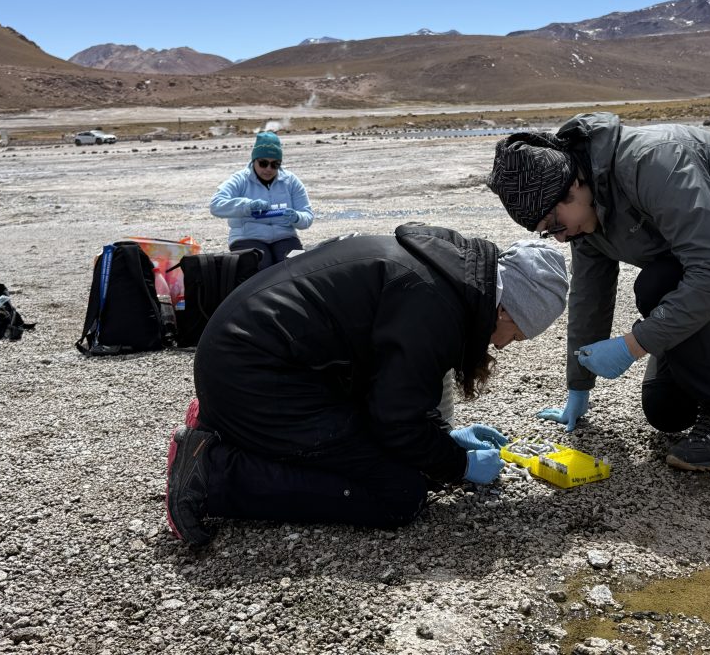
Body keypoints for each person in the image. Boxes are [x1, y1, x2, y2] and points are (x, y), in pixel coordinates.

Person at [166, 224, 568, 546]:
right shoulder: (435, 307)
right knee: (398, 494)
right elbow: (395, 421)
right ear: (505, 307)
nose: (502, 345)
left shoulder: (446, 270)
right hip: (253, 376)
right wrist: (457, 464)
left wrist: (444, 437)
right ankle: (214, 472)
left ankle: (233, 429)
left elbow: (391, 388)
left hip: (248, 359)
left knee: (390, 455)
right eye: (514, 334)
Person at [487, 112, 710, 471]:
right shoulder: (586, 214)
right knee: (667, 407)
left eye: (555, 224)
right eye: (548, 232)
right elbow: (589, 294)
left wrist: (634, 344)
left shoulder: (651, 161)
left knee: (657, 285)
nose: (560, 236)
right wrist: (579, 386)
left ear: (574, 183)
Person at [209, 131, 314, 271]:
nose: (269, 169)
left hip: (285, 237)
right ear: (254, 160)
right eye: (263, 163)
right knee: (262, 271)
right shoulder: (240, 179)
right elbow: (216, 205)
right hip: (247, 237)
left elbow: (307, 216)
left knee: (297, 267)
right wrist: (247, 206)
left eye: (275, 164)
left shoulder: (291, 181)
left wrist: (297, 217)